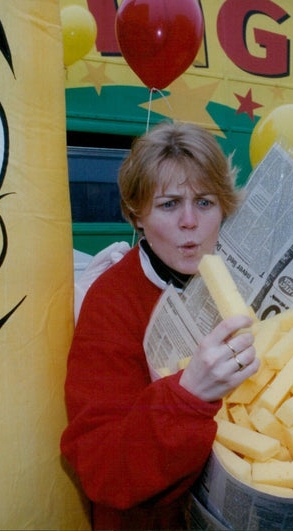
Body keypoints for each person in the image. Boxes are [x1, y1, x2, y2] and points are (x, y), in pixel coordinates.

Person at [61, 121, 261, 530]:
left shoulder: (241, 278)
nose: (190, 222)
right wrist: (189, 396)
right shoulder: (111, 300)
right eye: (169, 205)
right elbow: (102, 469)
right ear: (138, 215)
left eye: (204, 203)